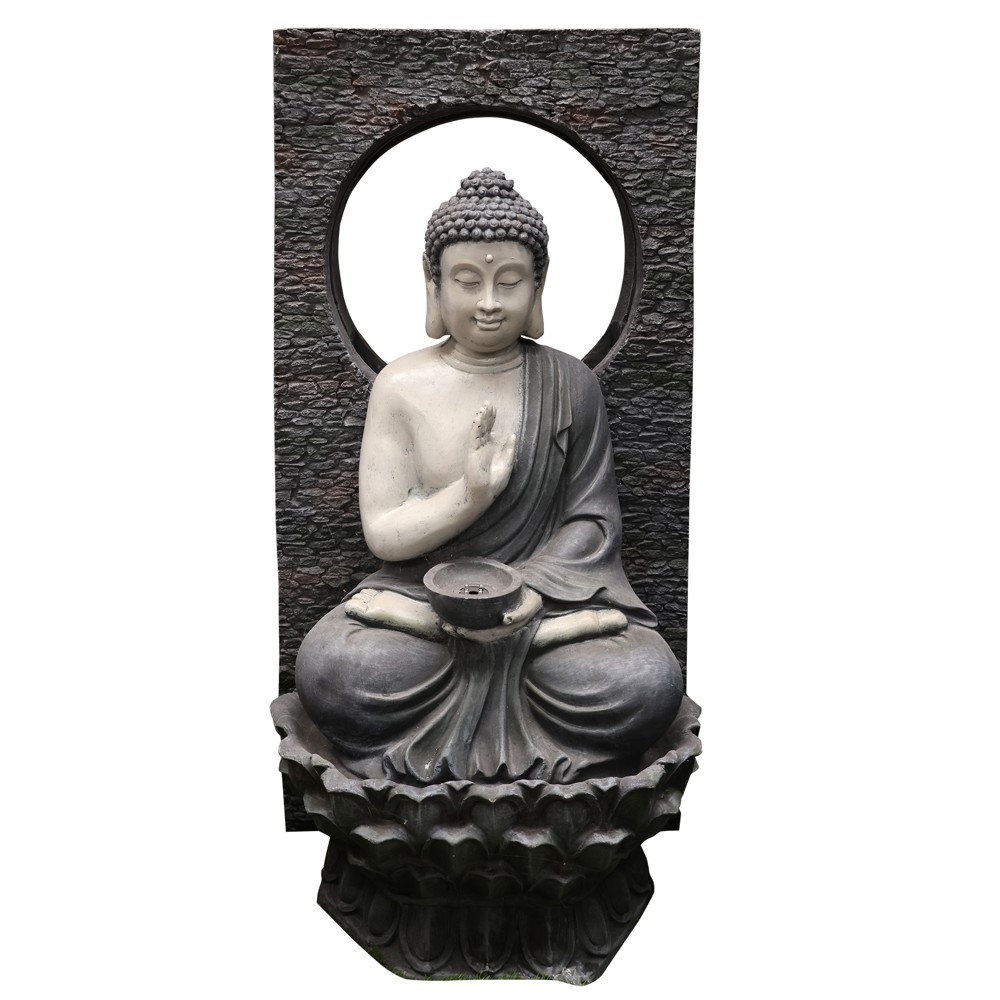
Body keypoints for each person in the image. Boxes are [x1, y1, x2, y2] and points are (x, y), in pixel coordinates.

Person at [296, 168, 683, 784]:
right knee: (335, 669)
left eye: (510, 281)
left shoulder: (571, 385)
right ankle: (474, 668)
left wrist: (527, 593)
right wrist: (471, 496)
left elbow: (592, 523)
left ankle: (498, 670)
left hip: (545, 606)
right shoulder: (400, 385)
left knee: (643, 679)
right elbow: (385, 535)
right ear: (433, 284)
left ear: (538, 286)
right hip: (421, 599)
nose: (489, 303)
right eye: (467, 281)